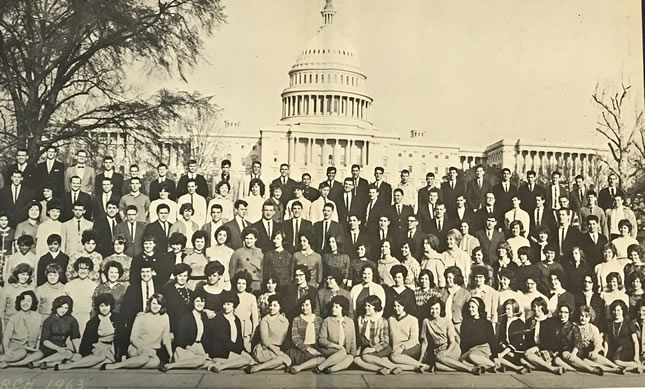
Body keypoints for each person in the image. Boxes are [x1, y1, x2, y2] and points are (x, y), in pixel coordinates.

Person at [56, 293, 128, 371]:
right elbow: (86, 343)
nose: (104, 309)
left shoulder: (118, 319)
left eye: (107, 306)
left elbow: (123, 339)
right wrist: (87, 352)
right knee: (101, 357)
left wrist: (123, 354)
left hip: (112, 347)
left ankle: (78, 364)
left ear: (111, 306)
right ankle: (69, 366)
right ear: (98, 307)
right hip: (97, 346)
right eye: (101, 306)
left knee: (108, 361)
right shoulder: (92, 322)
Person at [103, 293, 172, 370]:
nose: (156, 306)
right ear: (149, 304)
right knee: (144, 358)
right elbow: (133, 338)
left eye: (159, 304)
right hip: (136, 348)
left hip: (152, 350)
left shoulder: (165, 317)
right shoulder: (141, 316)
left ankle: (130, 363)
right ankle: (116, 366)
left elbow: (166, 338)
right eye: (154, 303)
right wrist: (143, 349)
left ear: (162, 306)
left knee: (155, 363)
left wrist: (171, 355)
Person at [419, 296, 482, 374]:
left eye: (437, 309)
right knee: (437, 365)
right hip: (438, 352)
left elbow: (452, 342)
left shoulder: (447, 321)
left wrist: (447, 352)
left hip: (451, 349)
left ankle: (470, 369)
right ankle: (463, 368)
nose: (434, 311)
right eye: (432, 308)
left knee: (439, 357)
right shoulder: (426, 321)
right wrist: (420, 359)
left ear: (441, 309)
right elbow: (425, 342)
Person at [158, 292, 211, 372]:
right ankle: (171, 366)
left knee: (209, 363)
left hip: (198, 348)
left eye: (202, 301)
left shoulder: (204, 317)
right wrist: (192, 349)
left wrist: (204, 351)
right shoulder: (186, 318)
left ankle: (185, 365)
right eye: (197, 301)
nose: (200, 304)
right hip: (185, 349)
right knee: (201, 361)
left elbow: (206, 337)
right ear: (193, 302)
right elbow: (180, 340)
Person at [353, 295, 404, 375]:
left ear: (376, 307)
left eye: (369, 306)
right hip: (366, 348)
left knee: (366, 356)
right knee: (356, 360)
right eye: (365, 306)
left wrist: (373, 349)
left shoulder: (382, 321)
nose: (366, 308)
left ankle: (393, 367)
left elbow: (385, 342)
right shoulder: (360, 319)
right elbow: (360, 339)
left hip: (381, 348)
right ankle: (381, 369)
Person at [205, 291, 254, 373]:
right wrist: (241, 352)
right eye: (224, 304)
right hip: (220, 352)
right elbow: (225, 341)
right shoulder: (218, 319)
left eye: (228, 304)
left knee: (249, 361)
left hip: (232, 352)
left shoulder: (237, 320)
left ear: (234, 305)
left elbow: (239, 340)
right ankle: (221, 367)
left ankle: (219, 364)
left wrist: (244, 351)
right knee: (247, 361)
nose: (225, 307)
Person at [29, 295, 81, 369]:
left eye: (66, 308)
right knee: (67, 356)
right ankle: (41, 362)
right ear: (56, 306)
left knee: (72, 355)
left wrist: (78, 352)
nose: (63, 310)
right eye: (60, 307)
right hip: (48, 348)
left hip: (61, 348)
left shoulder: (71, 320)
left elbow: (75, 337)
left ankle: (42, 363)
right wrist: (58, 349)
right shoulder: (49, 320)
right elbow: (45, 341)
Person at [247, 294, 292, 373]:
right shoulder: (265, 320)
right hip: (264, 349)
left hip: (276, 349)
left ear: (280, 306)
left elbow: (284, 339)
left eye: (275, 305)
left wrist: (279, 351)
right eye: (270, 305)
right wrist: (277, 352)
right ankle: (258, 368)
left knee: (287, 362)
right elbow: (265, 340)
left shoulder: (285, 321)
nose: (272, 308)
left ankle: (260, 366)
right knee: (283, 360)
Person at [574, 305, 624, 374]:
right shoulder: (574, 326)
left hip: (588, 352)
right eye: (582, 316)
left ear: (590, 318)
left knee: (595, 356)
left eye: (586, 317)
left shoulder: (593, 328)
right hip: (577, 353)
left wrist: (594, 351)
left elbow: (597, 343)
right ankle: (612, 370)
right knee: (586, 361)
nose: (583, 318)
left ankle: (615, 366)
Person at [523, 297, 567, 374]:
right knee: (522, 359)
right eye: (534, 307)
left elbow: (551, 341)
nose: (536, 309)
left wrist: (537, 348)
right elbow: (528, 339)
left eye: (538, 306)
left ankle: (552, 369)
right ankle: (545, 366)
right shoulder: (530, 321)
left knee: (527, 355)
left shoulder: (551, 322)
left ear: (543, 307)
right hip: (533, 350)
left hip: (547, 349)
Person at [0, 290, 42, 369]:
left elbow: (39, 336)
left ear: (33, 302)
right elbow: (6, 336)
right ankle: (5, 359)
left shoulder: (38, 317)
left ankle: (9, 363)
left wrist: (36, 348)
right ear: (19, 302)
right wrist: (6, 350)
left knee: (40, 354)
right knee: (22, 353)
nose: (25, 303)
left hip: (30, 349)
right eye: (23, 300)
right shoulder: (14, 318)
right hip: (14, 348)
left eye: (29, 301)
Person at [315, 295, 356, 374]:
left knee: (350, 358)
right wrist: (336, 346)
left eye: (337, 307)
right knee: (342, 353)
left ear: (343, 308)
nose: (333, 309)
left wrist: (353, 354)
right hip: (329, 350)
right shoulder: (327, 321)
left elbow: (353, 341)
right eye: (333, 306)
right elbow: (321, 340)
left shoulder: (350, 322)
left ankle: (330, 369)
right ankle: (320, 367)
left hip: (344, 351)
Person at [286, 295, 324, 374]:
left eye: (307, 305)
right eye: (302, 305)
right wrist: (307, 349)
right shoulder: (297, 319)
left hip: (315, 348)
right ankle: (306, 365)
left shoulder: (318, 319)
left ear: (311, 306)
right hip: (301, 349)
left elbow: (321, 336)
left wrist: (315, 349)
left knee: (323, 359)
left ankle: (299, 367)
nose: (304, 307)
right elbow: (295, 337)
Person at [605, 300, 645, 373]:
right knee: (608, 360)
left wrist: (636, 355)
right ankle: (633, 368)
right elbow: (606, 341)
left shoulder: (629, 323)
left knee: (616, 361)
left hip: (627, 349)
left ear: (623, 311)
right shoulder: (609, 323)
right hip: (615, 348)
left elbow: (635, 341)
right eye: (614, 310)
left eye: (618, 310)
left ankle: (638, 366)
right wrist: (605, 352)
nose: (616, 312)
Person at [459, 296, 496, 372]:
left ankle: (493, 365)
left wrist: (495, 356)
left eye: (473, 307)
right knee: (463, 361)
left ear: (479, 308)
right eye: (469, 307)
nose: (470, 309)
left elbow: (492, 341)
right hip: (470, 350)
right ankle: (485, 367)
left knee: (472, 357)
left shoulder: (487, 323)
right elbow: (463, 341)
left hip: (483, 349)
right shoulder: (465, 322)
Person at [64, 256, 98, 336]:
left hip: (87, 319)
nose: (83, 271)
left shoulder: (94, 286)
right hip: (71, 318)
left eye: (86, 268)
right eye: (80, 268)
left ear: (89, 270)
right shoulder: (68, 285)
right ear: (76, 269)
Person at [494, 298, 529, 374]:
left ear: (514, 310)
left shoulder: (519, 323)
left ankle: (515, 367)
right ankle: (516, 367)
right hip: (506, 349)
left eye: (509, 309)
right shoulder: (504, 322)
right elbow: (501, 338)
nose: (506, 311)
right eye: (505, 309)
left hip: (516, 349)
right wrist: (504, 349)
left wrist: (504, 353)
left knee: (502, 357)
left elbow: (516, 341)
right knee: (495, 356)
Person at [162, 263, 195, 336]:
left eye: (185, 276)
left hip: (187, 328)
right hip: (172, 328)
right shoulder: (167, 291)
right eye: (180, 276)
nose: (182, 278)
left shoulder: (191, 293)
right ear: (175, 276)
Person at [228, 228, 263, 293]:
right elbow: (231, 271)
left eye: (251, 239)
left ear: (255, 239)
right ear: (244, 239)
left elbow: (263, 271)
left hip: (256, 285)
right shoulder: (237, 252)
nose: (249, 241)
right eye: (247, 238)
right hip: (241, 284)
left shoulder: (260, 252)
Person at [0, 263, 35, 328]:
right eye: (22, 274)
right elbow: (1, 311)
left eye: (27, 275)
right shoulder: (7, 289)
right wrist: (3, 328)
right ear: (16, 274)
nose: (24, 277)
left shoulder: (32, 288)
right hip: (9, 323)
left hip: (26, 323)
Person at [232, 271, 259, 352]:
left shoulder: (251, 297)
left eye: (243, 283)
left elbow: (255, 316)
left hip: (246, 328)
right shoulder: (232, 295)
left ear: (247, 284)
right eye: (239, 283)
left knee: (246, 350)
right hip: (234, 325)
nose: (241, 286)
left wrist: (254, 330)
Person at [441, 266, 471, 331]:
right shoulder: (443, 292)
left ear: (456, 278)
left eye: (450, 278)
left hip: (459, 326)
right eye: (446, 278)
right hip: (444, 325)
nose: (448, 280)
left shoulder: (465, 294)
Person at [205, 225, 233, 290]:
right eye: (220, 234)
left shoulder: (231, 251)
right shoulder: (208, 250)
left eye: (224, 235)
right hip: (212, 281)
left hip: (225, 281)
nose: (221, 237)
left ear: (227, 237)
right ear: (216, 235)